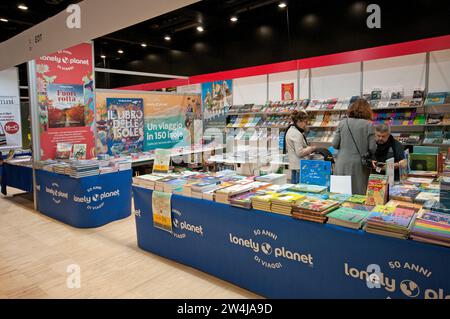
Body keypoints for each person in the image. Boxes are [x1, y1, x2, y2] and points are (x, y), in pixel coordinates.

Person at [332, 99, 376, 195]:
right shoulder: (369, 125)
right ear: (368, 111)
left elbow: (335, 144)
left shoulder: (343, 123)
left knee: (340, 194)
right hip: (359, 165)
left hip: (342, 163)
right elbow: (372, 148)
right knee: (358, 194)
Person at [284, 110, 316, 183]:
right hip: (299, 166)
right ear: (299, 121)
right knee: (299, 189)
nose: (305, 125)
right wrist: (311, 148)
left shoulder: (290, 130)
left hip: (294, 165)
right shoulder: (297, 133)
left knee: (294, 188)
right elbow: (300, 152)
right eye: (305, 122)